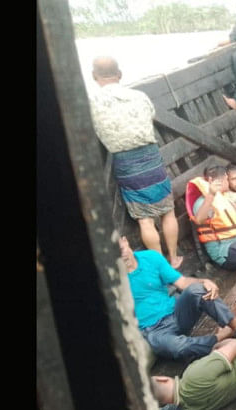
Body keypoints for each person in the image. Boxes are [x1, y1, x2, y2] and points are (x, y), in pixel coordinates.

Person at [88, 56, 182, 269]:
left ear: (94, 76)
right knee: (168, 211)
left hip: (126, 162)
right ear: (120, 74)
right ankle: (174, 258)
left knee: (145, 220)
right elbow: (151, 114)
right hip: (151, 156)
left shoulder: (92, 103)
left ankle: (161, 265)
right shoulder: (139, 96)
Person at [119, 236, 236, 361]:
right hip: (155, 330)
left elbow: (182, 282)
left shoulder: (151, 257)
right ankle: (218, 339)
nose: (121, 256)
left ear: (125, 241)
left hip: (176, 312)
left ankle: (235, 326)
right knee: (177, 347)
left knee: (199, 289)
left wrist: (204, 281)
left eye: (121, 250)